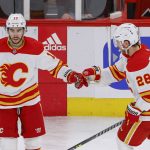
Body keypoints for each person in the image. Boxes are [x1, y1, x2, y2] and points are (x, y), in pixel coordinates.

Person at [0, 13, 88, 150]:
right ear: (7, 30)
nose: (15, 34)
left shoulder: (34, 47)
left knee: (34, 143)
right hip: (3, 103)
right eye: (12, 30)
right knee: (7, 145)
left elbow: (54, 65)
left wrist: (70, 75)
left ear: (24, 30)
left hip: (30, 100)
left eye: (19, 30)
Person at [82, 23, 150, 150]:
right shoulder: (133, 55)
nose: (117, 45)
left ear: (127, 42)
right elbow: (115, 73)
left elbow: (148, 97)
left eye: (119, 42)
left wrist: (135, 109)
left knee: (124, 141)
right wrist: (95, 75)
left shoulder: (138, 64)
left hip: (148, 114)